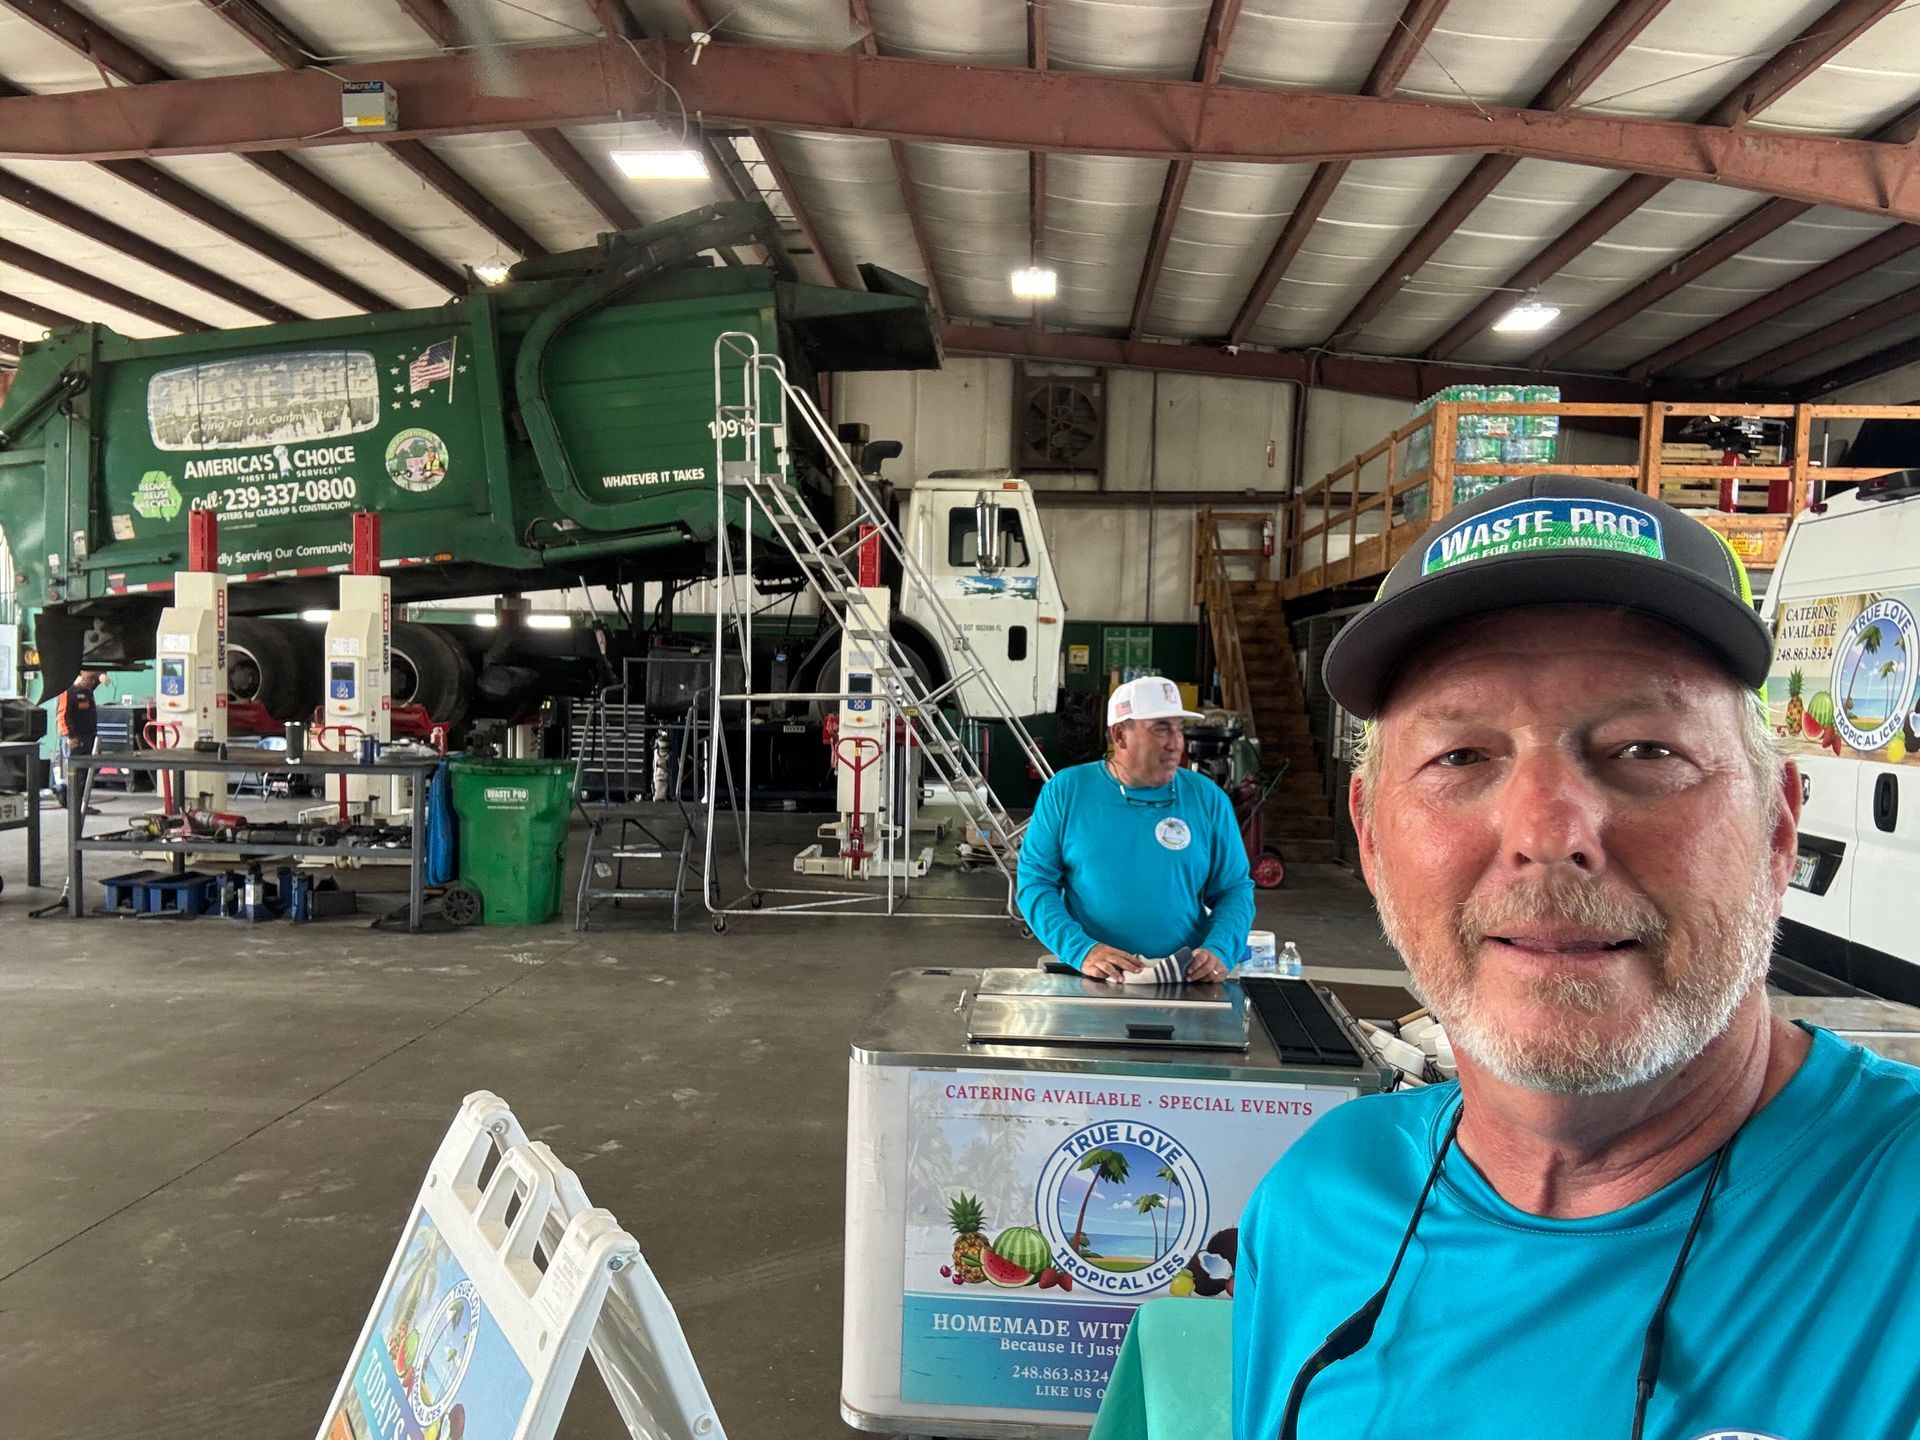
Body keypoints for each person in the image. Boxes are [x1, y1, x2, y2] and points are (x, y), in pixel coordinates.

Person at [1233, 476, 1920, 1439]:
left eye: (1645, 748)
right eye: (1462, 757)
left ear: (1777, 830)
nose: (1549, 831)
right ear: (1372, 842)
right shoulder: (1316, 1208)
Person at [1018, 675, 1255, 983]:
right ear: (1120, 736)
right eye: (1160, 729)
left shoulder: (1207, 798)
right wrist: (1081, 950)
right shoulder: (1067, 791)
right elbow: (1035, 882)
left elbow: (1234, 888)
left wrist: (1221, 948)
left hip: (1185, 978)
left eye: (1178, 729)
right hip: (1093, 976)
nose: (1176, 743)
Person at [54, 669, 103, 809]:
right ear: (80, 675)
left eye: (93, 679)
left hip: (89, 737)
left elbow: (99, 676)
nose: (92, 681)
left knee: (89, 771)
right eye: (89, 678)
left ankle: (79, 803)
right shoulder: (68, 692)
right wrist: (69, 736)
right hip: (75, 739)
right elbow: (62, 716)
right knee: (77, 774)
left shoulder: (87, 691)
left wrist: (101, 676)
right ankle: (72, 803)